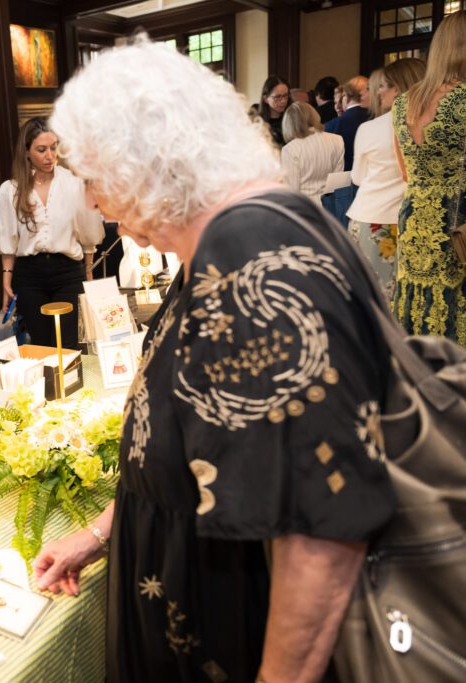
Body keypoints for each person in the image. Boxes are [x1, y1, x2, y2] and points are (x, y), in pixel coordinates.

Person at [34, 37, 394, 682]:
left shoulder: (252, 255)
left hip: (233, 633)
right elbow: (203, 441)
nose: (91, 201)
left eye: (92, 178)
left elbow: (320, 531)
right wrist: (101, 532)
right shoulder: (232, 241)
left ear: (141, 164)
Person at [0, 117, 104, 349]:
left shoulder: (73, 184)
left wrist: (89, 273)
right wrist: (6, 281)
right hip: (29, 276)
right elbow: (8, 242)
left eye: (53, 148)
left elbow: (88, 234)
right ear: (26, 152)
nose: (50, 156)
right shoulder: (10, 190)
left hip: (67, 272)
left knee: (69, 346)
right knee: (42, 346)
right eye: (41, 150)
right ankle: (48, 386)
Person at [392, 11, 466, 345]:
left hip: (414, 217)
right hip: (456, 220)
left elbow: (404, 171)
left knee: (415, 300)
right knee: (454, 304)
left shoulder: (402, 102)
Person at [347, 59, 426, 300]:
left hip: (370, 217)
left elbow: (358, 177)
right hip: (412, 220)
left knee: (370, 299)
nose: (378, 92)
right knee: (407, 299)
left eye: (383, 86)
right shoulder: (430, 126)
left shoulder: (370, 128)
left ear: (399, 88)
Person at [280, 101, 344, 204]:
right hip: (331, 207)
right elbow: (337, 183)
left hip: (304, 209)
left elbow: (292, 192)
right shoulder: (337, 140)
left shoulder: (290, 149)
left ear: (289, 123)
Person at [326, 76, 371, 170]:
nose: (338, 106)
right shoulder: (377, 118)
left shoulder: (333, 125)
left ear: (348, 97)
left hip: (342, 179)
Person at [258, 75, 291, 146]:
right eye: (277, 97)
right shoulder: (259, 123)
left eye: (285, 95)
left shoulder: (292, 119)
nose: (283, 101)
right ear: (266, 99)